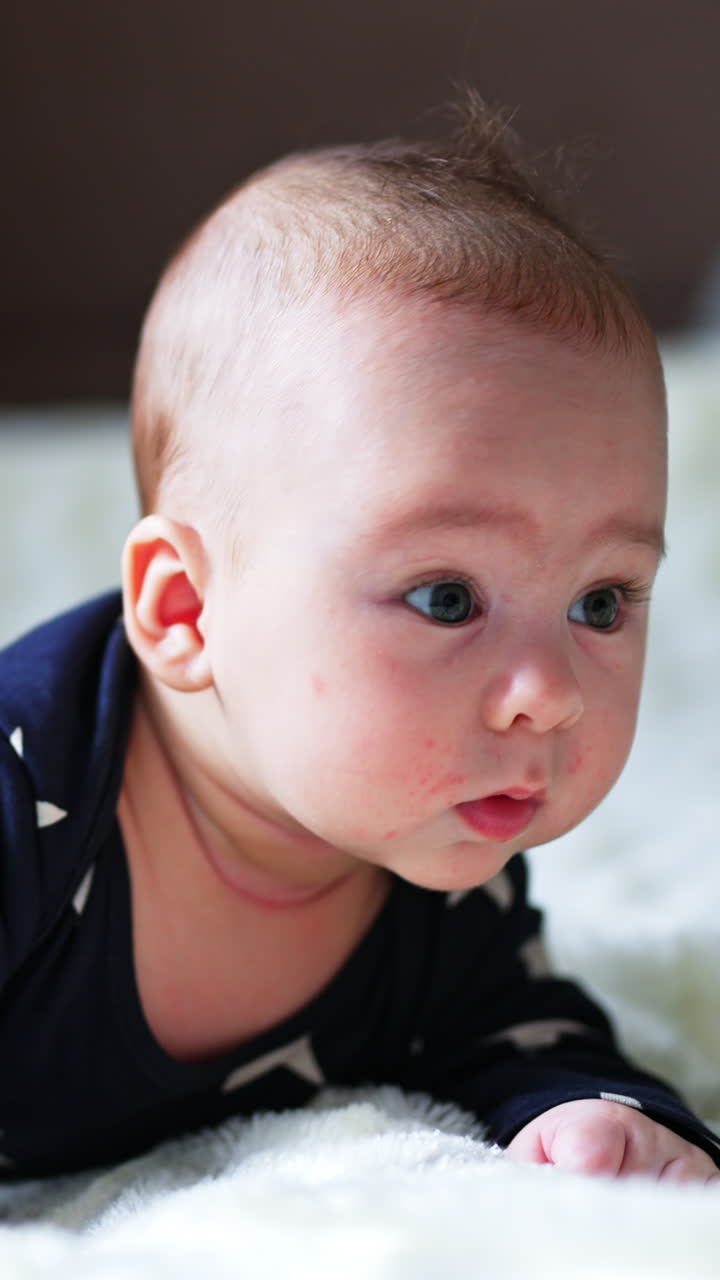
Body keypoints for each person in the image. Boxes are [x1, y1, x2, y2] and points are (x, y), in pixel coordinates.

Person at [1, 97, 719, 1182]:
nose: (549, 693)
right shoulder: (30, 794)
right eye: (445, 597)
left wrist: (597, 1117)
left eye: (602, 602)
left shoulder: (439, 869)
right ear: (188, 610)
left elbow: (513, 1030)